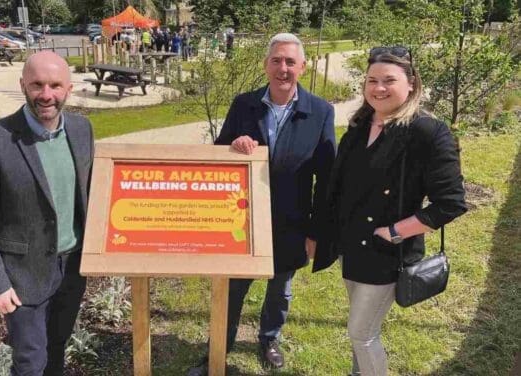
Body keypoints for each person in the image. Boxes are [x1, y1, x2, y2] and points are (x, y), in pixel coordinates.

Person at [187, 32, 336, 375]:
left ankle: (269, 338)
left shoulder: (320, 112)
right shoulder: (244, 104)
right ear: (266, 64)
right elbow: (218, 155)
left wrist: (316, 232)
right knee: (233, 288)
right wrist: (232, 145)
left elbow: (327, 178)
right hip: (242, 219)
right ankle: (218, 349)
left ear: (303, 66)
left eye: (290, 62)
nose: (283, 68)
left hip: (292, 220)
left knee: (279, 288)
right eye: (276, 61)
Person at [313, 46, 467, 375]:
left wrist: (396, 232)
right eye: (371, 80)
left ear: (411, 83)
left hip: (386, 252)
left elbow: (450, 202)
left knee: (361, 332)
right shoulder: (359, 125)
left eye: (389, 80)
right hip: (350, 247)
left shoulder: (426, 131)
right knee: (361, 330)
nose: (378, 88)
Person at [0, 51, 94, 376]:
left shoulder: (81, 130)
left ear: (69, 88)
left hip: (73, 268)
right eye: (37, 85)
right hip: (22, 276)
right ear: (23, 84)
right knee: (30, 362)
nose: (46, 95)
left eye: (55, 85)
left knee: (57, 347)